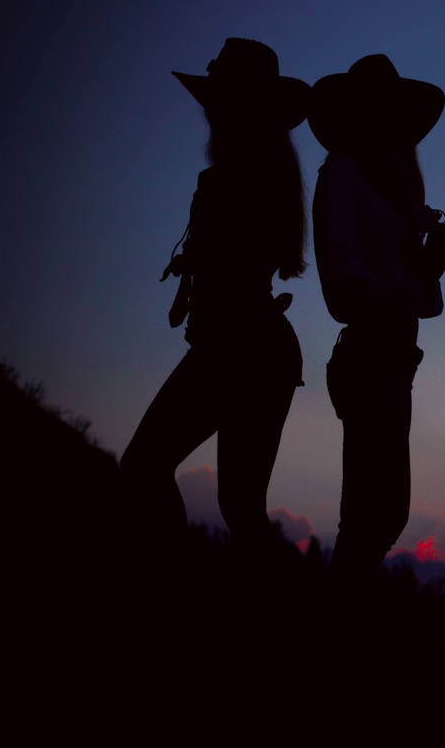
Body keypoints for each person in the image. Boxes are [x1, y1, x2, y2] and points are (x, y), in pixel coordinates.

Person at [120, 38, 309, 563]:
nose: (210, 113)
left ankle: (169, 585)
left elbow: (229, 268)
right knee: (241, 506)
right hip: (259, 348)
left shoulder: (232, 179)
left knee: (144, 466)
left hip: (235, 347)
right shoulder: (265, 176)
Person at [309, 54, 445, 579]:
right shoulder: (342, 174)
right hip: (371, 356)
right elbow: (344, 288)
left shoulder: (396, 187)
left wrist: (430, 262)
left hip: (395, 358)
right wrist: (412, 279)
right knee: (370, 518)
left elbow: (414, 295)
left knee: (383, 516)